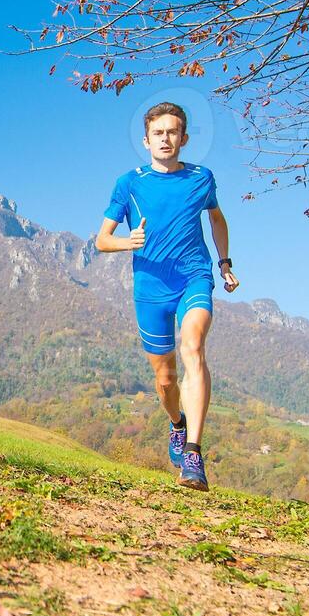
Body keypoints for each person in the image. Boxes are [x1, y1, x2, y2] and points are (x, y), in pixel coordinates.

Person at [95, 103, 238, 491]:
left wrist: (223, 262)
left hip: (194, 276)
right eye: (158, 133)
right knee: (165, 379)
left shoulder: (201, 179)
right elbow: (101, 239)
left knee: (193, 347)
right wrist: (128, 242)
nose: (166, 139)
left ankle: (193, 453)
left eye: (173, 132)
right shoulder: (129, 183)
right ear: (146, 140)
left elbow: (217, 218)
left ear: (184, 139)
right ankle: (178, 424)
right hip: (151, 287)